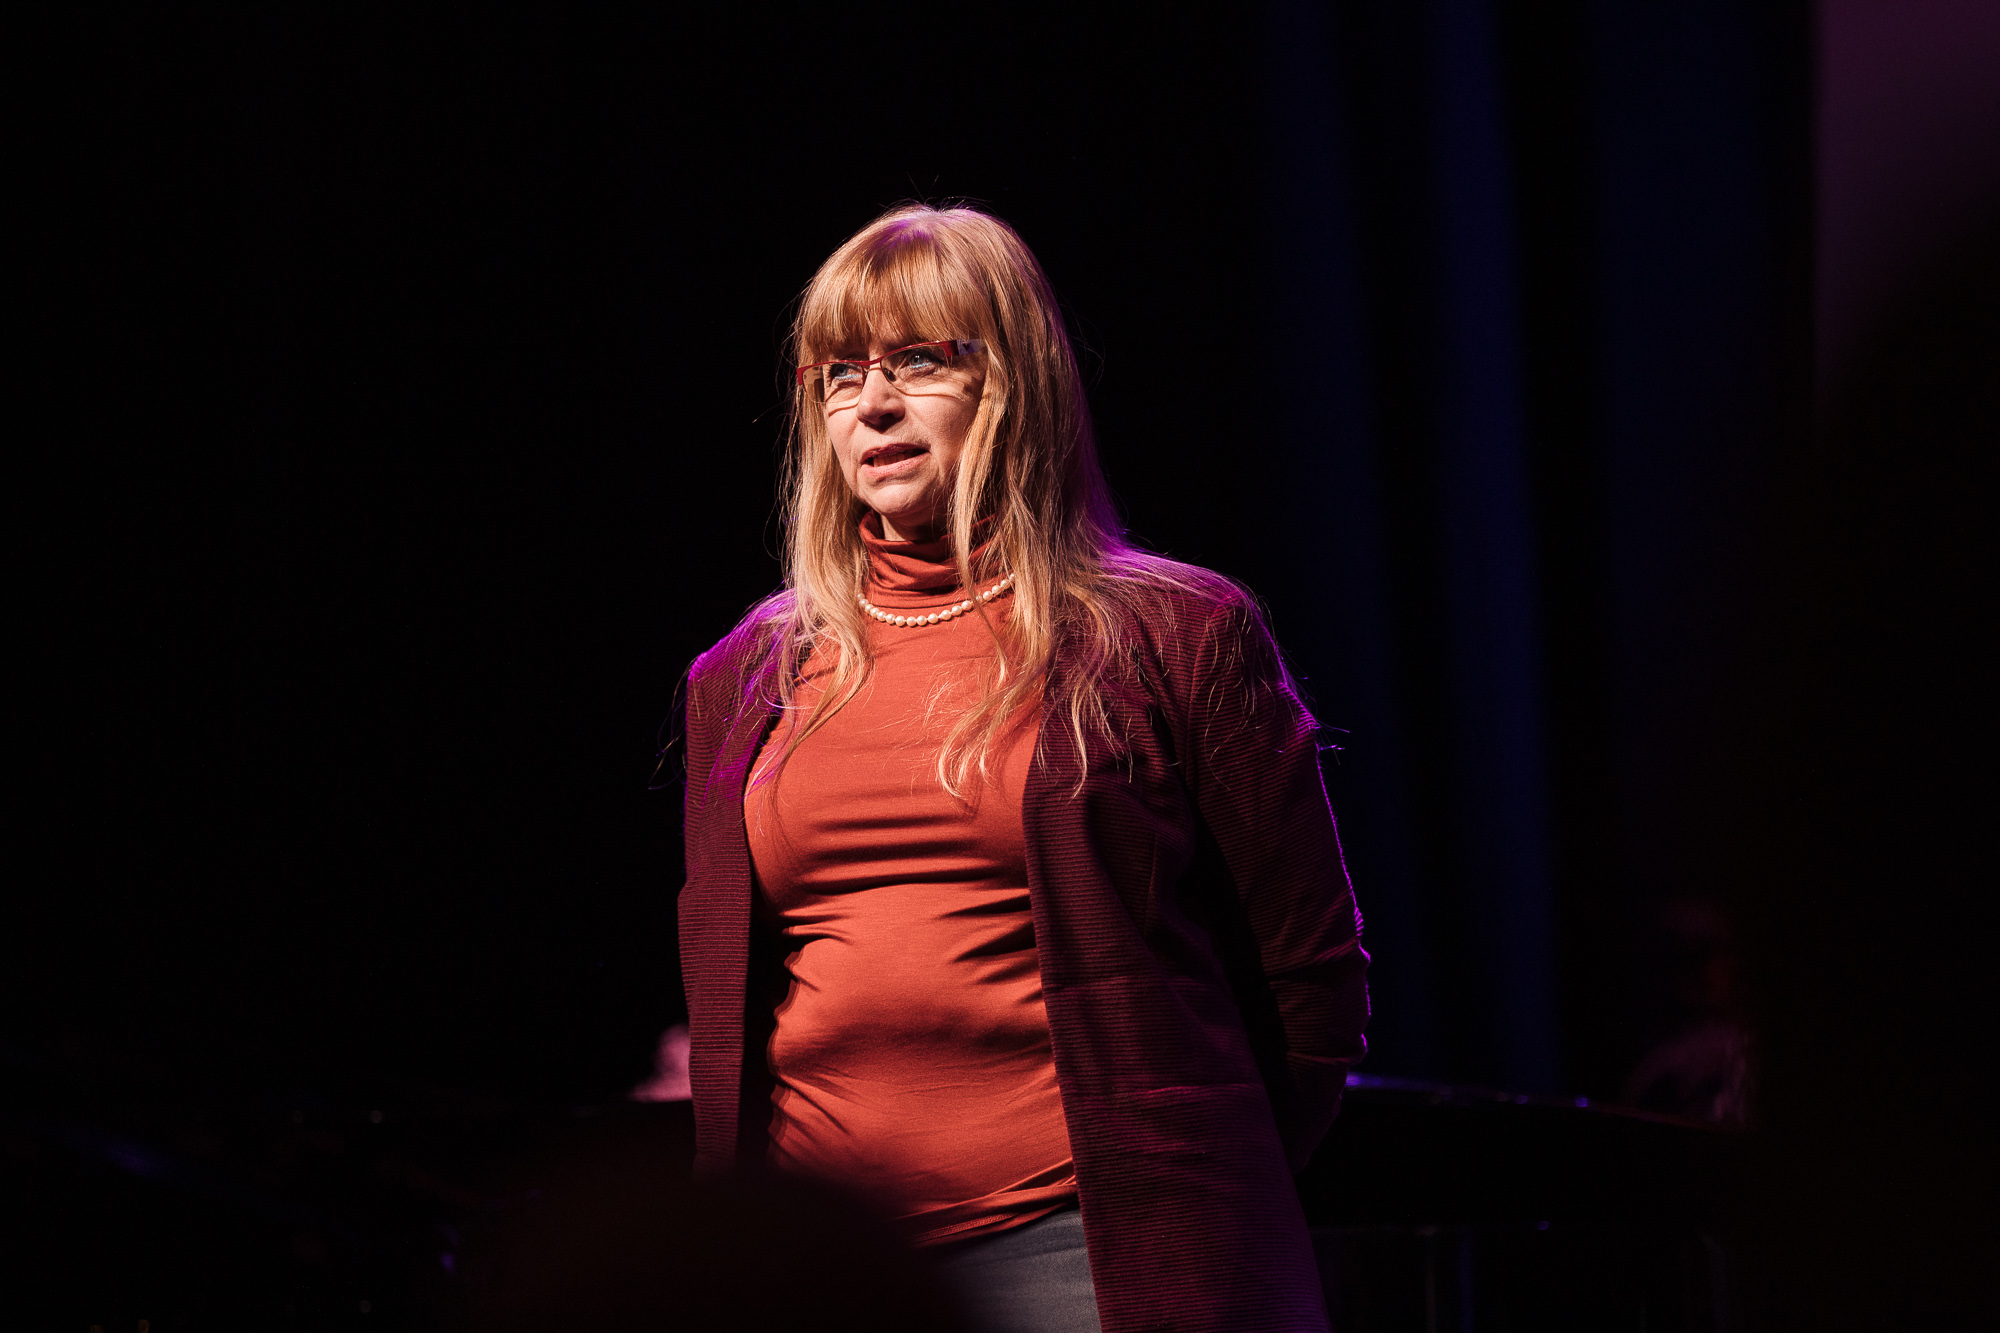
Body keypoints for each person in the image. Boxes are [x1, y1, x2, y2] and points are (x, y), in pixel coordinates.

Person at [676, 203, 1370, 1333]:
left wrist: (1190, 1179)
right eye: (840, 373)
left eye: (917, 360)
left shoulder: (1176, 634)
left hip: (1094, 1250)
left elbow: (1310, 983)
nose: (873, 403)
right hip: (823, 1261)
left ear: (1012, 378)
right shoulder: (744, 674)